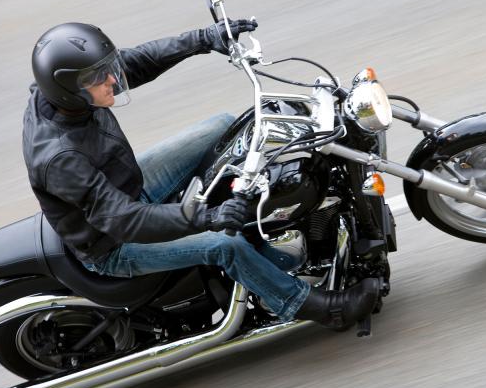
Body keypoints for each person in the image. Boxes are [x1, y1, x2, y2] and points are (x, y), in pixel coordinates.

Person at [23, 20, 380, 329]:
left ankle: (267, 218)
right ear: (69, 90)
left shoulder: (65, 95)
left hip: (126, 185)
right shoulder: (59, 158)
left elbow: (136, 62)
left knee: (223, 126)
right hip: (113, 241)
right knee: (225, 245)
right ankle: (313, 307)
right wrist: (207, 217)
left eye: (107, 69)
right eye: (100, 77)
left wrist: (204, 38)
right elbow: (124, 220)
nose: (113, 79)